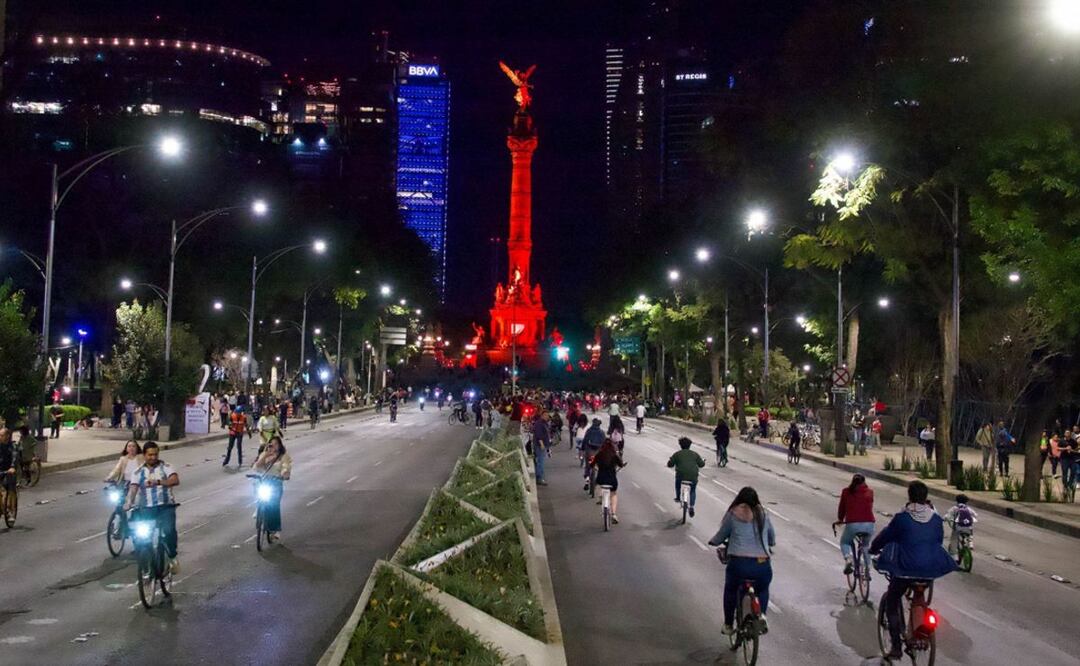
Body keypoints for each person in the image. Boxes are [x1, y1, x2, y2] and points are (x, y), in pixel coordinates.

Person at [869, 480, 957, 660]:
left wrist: (873, 548)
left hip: (905, 569)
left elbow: (886, 536)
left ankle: (895, 647)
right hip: (930, 569)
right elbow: (938, 541)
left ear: (909, 496)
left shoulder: (902, 518)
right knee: (920, 593)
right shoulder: (935, 519)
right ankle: (922, 621)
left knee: (892, 601)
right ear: (926, 497)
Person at [708, 487, 776, 636]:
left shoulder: (733, 514)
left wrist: (714, 542)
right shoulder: (764, 514)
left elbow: (721, 535)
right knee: (762, 589)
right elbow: (772, 538)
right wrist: (770, 543)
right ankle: (762, 614)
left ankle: (728, 624)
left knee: (731, 590)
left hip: (739, 565)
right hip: (762, 564)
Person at [124, 442, 181, 573]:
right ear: (144, 455)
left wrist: (159, 482)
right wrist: (128, 503)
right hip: (147, 509)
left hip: (165, 507)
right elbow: (133, 489)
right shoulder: (138, 472)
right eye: (150, 455)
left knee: (169, 530)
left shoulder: (166, 467)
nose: (153, 457)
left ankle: (172, 556)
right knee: (140, 536)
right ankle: (146, 563)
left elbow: (175, 480)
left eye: (155, 454)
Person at [253, 436, 292, 540]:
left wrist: (285, 474)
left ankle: (276, 529)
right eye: (271, 444)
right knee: (255, 486)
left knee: (274, 505)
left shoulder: (283, 456)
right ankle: (258, 507)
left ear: (280, 446)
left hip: (276, 482)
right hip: (265, 481)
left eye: (276, 444)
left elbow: (286, 466)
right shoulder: (265, 454)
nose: (273, 446)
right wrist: (265, 455)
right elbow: (256, 467)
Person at [836, 474, 875, 574]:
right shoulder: (870, 492)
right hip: (869, 524)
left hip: (853, 524)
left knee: (845, 542)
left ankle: (848, 559)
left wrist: (840, 519)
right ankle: (868, 569)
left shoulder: (846, 492)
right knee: (865, 546)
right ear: (864, 482)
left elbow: (842, 508)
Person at [667, 437, 705, 517]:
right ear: (690, 445)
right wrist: (703, 461)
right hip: (693, 476)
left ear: (680, 445)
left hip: (681, 475)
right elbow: (701, 465)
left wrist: (670, 461)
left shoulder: (677, 454)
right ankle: (691, 506)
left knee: (678, 483)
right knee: (693, 490)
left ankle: (678, 497)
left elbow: (670, 464)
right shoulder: (695, 454)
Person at [592, 438, 626, 523]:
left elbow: (592, 464)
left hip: (601, 478)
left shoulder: (599, 454)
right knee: (613, 494)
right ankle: (613, 514)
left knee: (601, 485)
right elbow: (621, 464)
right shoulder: (614, 455)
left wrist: (595, 467)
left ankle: (600, 498)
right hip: (612, 479)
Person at [943, 493, 977, 558]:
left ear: (957, 501)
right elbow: (975, 514)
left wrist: (944, 519)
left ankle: (953, 555)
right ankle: (970, 543)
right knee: (969, 532)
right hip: (967, 528)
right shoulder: (968, 508)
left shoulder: (955, 508)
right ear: (966, 502)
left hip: (958, 528)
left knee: (954, 539)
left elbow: (948, 516)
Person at [581, 418, 605, 490]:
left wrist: (582, 449)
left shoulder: (589, 431)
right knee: (600, 466)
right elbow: (604, 443)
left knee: (588, 466)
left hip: (589, 451)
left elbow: (585, 440)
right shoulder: (602, 432)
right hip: (598, 452)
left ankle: (587, 480)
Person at [532, 412, 551, 485]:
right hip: (540, 445)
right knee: (541, 461)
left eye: (547, 415)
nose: (547, 417)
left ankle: (540, 477)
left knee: (541, 461)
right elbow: (539, 435)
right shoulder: (539, 423)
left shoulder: (544, 423)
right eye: (546, 415)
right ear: (542, 416)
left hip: (544, 445)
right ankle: (539, 478)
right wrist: (542, 444)